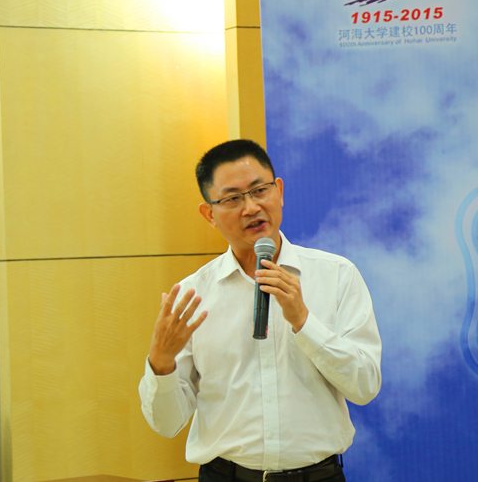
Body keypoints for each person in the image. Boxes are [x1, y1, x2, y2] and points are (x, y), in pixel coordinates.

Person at [139, 139, 382, 482]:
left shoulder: (338, 275)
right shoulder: (193, 295)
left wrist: (303, 321)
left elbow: (365, 386)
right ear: (209, 214)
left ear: (279, 191)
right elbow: (167, 424)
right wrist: (161, 363)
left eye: (259, 191)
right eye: (232, 199)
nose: (251, 207)